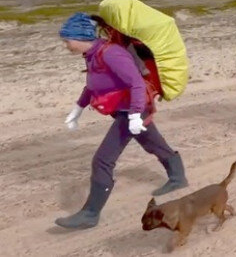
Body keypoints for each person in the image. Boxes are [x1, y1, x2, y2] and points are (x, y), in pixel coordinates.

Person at [55, 13, 187, 229]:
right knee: (152, 142)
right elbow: (93, 84)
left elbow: (136, 83)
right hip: (127, 110)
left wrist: (135, 115)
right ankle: (177, 176)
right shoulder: (93, 54)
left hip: (133, 110)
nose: (66, 45)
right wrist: (77, 108)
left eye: (67, 40)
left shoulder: (112, 54)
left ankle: (90, 213)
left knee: (103, 160)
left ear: (80, 37)